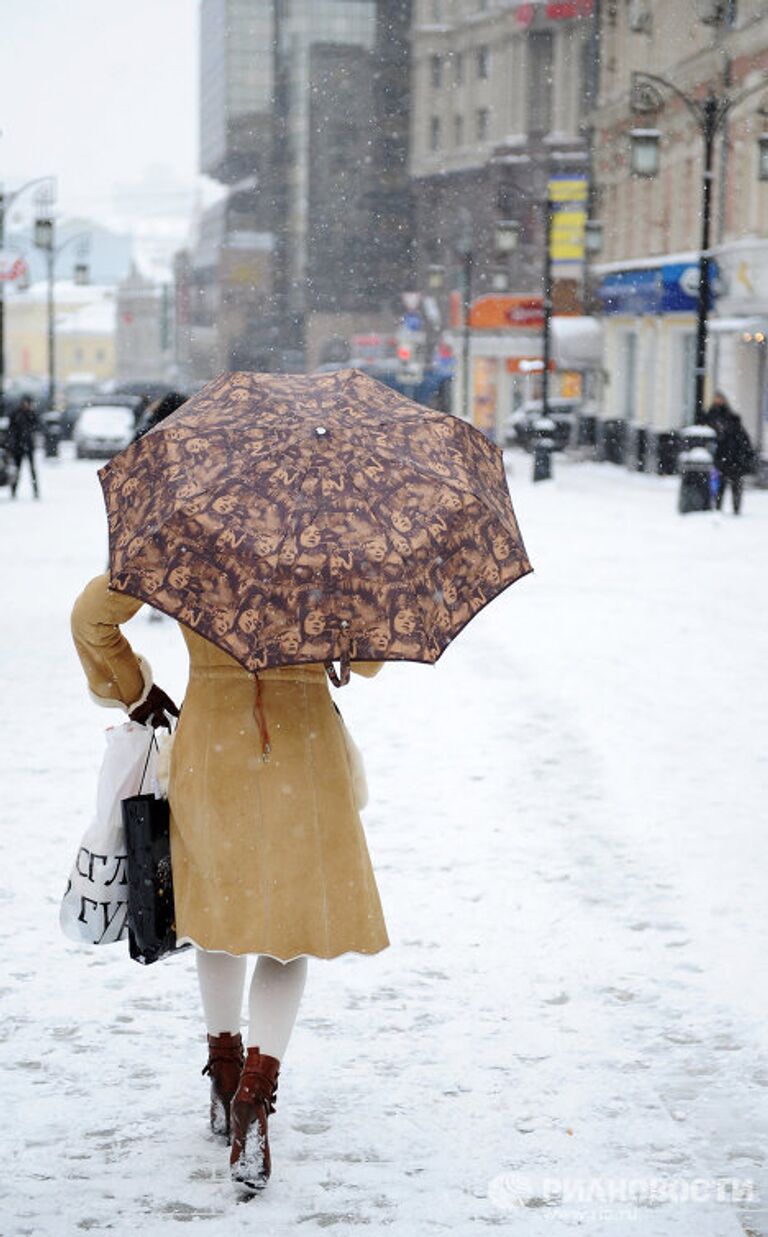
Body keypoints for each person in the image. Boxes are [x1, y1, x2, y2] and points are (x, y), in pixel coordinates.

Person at [70, 575, 388, 1193]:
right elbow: (371, 658)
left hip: (212, 745)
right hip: (305, 749)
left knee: (217, 914)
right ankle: (255, 1093)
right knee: (288, 934)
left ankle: (223, 1071)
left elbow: (90, 617)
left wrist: (133, 691)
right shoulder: (329, 539)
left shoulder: (188, 534)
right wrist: (338, 651)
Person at [705, 392, 754, 514]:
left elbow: (744, 441)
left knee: (733, 484)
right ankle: (718, 507)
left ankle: (734, 507)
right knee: (720, 484)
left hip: (732, 457)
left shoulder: (731, 420)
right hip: (721, 457)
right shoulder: (711, 417)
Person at [8, 394, 40, 499]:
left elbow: (36, 426)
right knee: (17, 469)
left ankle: (35, 491)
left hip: (28, 445)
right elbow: (11, 429)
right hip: (18, 446)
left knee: (32, 469)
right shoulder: (16, 414)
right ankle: (13, 490)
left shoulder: (31, 414)